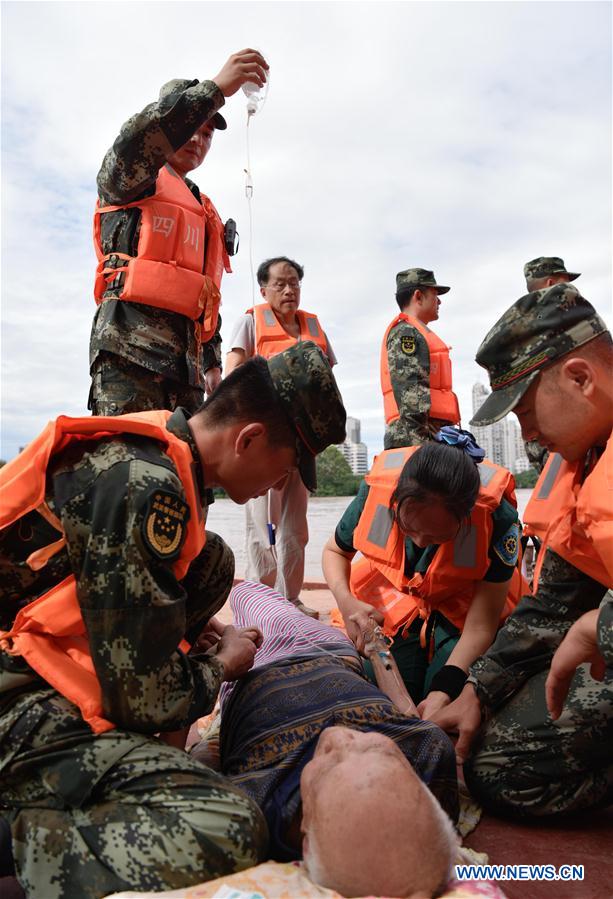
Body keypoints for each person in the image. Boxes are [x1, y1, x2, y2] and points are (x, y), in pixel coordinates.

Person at [0, 342, 346, 899]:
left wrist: (172, 630)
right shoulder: (147, 484)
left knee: (212, 561)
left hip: (33, 657)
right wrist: (219, 667)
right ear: (249, 438)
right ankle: (20, 836)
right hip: (14, 699)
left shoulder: (159, 443)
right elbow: (144, 697)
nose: (281, 485)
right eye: (285, 469)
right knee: (229, 826)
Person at [431, 283, 613, 818]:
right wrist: (477, 691)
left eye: (526, 411)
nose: (527, 434)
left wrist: (599, 627)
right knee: (497, 767)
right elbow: (555, 602)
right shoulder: (583, 461)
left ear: (580, 378)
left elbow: (580, 621)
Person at [191, 580, 458, 898]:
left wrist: (207, 665)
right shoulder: (429, 752)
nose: (343, 736)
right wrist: (376, 647)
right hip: (328, 650)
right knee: (243, 590)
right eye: (377, 747)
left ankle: (223, 635)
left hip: (254, 670)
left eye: (328, 758)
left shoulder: (254, 809)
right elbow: (405, 711)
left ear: (305, 838)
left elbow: (190, 761)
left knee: (217, 611)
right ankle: (226, 630)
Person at [89, 49, 269, 417]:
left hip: (188, 371)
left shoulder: (203, 209)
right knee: (130, 463)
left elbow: (204, 293)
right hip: (130, 355)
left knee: (183, 468)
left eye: (207, 134)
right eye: (191, 127)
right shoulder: (129, 178)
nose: (198, 140)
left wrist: (213, 364)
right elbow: (139, 138)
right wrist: (216, 89)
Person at [322, 430, 526, 719]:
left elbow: (481, 626)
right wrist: (346, 601)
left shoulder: (497, 519)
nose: (418, 542)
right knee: (373, 687)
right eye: (409, 529)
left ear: (466, 517)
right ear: (396, 501)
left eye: (435, 536)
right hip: (400, 602)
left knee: (450, 693)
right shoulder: (376, 493)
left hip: (462, 610)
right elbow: (335, 552)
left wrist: (442, 693)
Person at [225, 257, 337, 618]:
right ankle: (260, 600)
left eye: (295, 283)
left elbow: (328, 382)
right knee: (261, 526)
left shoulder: (315, 327)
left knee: (296, 526)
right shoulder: (250, 322)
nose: (289, 290)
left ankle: (290, 599)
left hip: (303, 443)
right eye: (280, 284)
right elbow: (233, 375)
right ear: (264, 289)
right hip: (263, 442)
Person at [381, 268, 460, 450]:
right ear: (418, 296)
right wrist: (424, 450)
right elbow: (411, 395)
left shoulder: (414, 332)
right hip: (416, 439)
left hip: (429, 435)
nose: (439, 301)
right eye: (434, 294)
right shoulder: (406, 333)